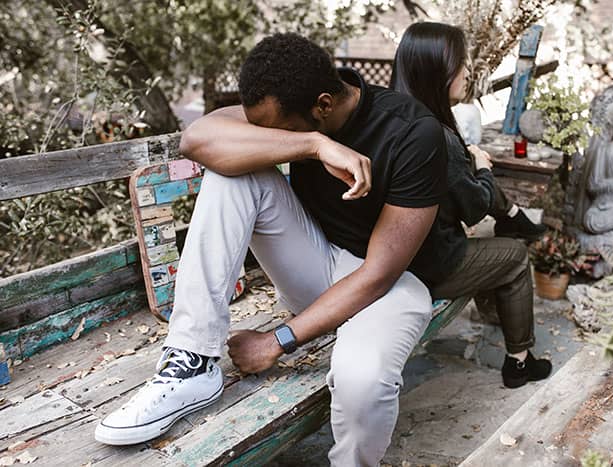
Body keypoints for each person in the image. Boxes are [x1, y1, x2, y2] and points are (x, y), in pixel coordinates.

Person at [95, 32, 457, 466]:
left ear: (323, 106)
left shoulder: (414, 133)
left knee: (363, 382)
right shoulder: (294, 103)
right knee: (231, 173)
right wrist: (315, 145)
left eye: (279, 132)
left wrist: (276, 341)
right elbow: (196, 139)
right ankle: (193, 361)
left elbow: (378, 275)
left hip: (391, 288)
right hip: (318, 264)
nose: (268, 139)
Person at [390, 21, 552, 388]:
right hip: (427, 264)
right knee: (515, 256)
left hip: (398, 253)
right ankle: (520, 363)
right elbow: (474, 207)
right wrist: (480, 167)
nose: (468, 71)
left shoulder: (396, 117)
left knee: (494, 218)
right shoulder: (435, 136)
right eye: (461, 63)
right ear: (436, 71)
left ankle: (512, 216)